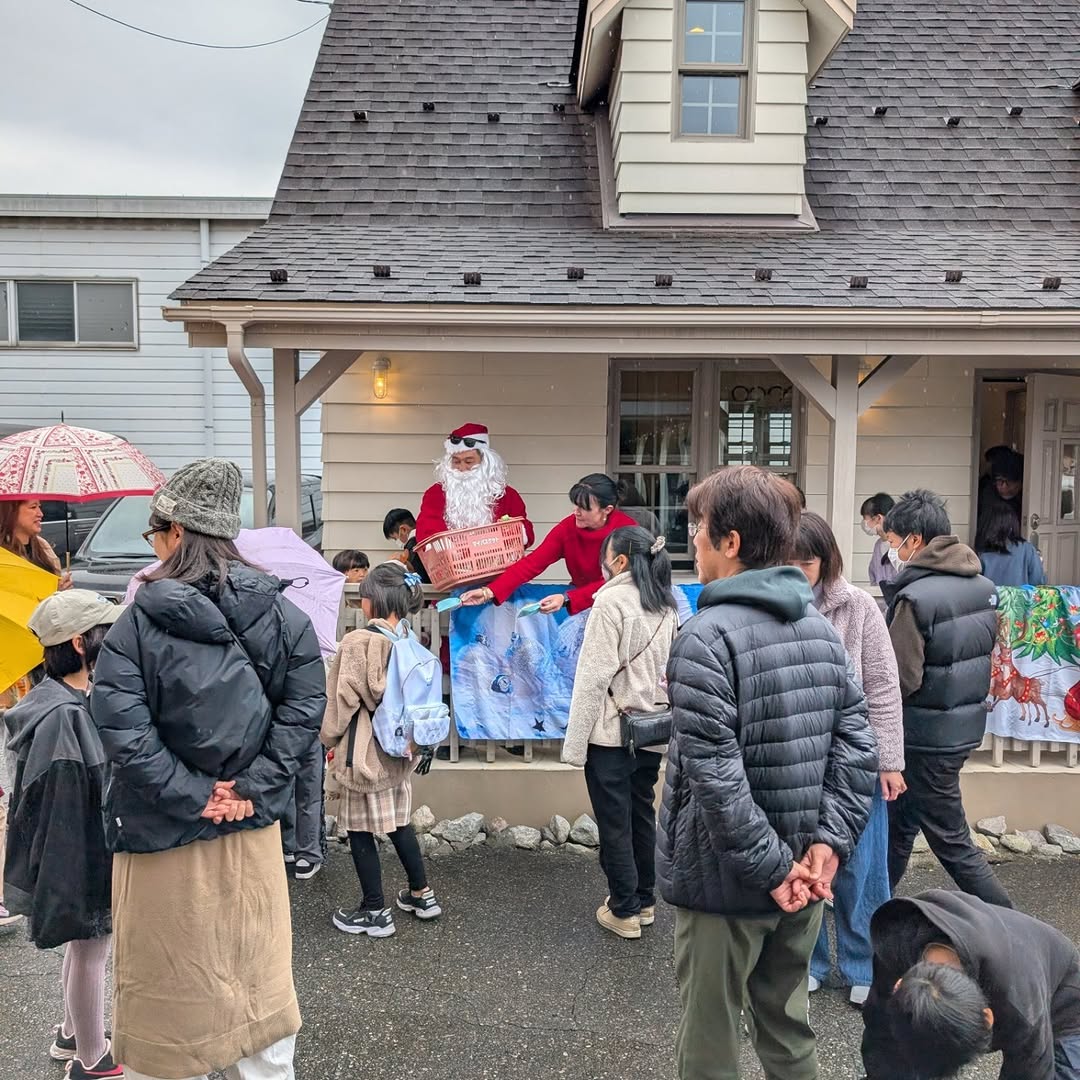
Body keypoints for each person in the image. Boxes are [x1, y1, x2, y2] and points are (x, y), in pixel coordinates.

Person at [89, 457, 326, 1080]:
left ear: (173, 533)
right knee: (259, 995)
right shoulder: (287, 617)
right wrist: (250, 788)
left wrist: (193, 792)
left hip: (159, 832)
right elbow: (303, 715)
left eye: (153, 533)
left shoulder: (136, 623)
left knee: (167, 1006)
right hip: (251, 831)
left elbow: (121, 727)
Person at [658, 464, 879, 1080]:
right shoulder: (819, 629)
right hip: (802, 877)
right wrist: (824, 849)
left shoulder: (705, 636)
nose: (693, 542)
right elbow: (856, 748)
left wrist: (778, 866)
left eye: (700, 529)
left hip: (727, 880)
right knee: (787, 1029)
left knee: (710, 1040)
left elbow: (715, 779)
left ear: (730, 542)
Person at [4, 591, 124, 1078]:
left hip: (68, 847)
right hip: (80, 849)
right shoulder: (66, 715)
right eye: (103, 632)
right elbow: (68, 803)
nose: (111, 639)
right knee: (93, 946)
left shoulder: (57, 701)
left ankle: (74, 1032)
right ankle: (91, 1059)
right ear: (80, 643)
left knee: (84, 948)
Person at [791, 512, 905, 1007]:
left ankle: (863, 964)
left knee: (864, 868)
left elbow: (882, 687)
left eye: (807, 560)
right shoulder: (773, 608)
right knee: (803, 864)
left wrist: (889, 760)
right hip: (796, 760)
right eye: (787, 559)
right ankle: (809, 961)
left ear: (827, 559)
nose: (798, 570)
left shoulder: (859, 606)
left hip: (856, 758)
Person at [881, 489, 1012, 909]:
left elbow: (900, 678)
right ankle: (875, 902)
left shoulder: (914, 598)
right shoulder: (983, 587)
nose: (889, 549)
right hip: (960, 727)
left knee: (951, 840)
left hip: (922, 734)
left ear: (914, 541)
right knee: (900, 824)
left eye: (891, 540)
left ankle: (1011, 924)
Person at [561, 526, 679, 939]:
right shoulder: (666, 603)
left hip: (612, 730)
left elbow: (593, 678)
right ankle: (645, 901)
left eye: (605, 555)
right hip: (650, 729)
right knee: (641, 811)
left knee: (614, 821)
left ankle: (624, 909)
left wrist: (575, 745)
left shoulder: (610, 601)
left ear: (621, 561)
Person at [322, 561, 442, 938]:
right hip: (401, 752)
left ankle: (375, 911)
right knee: (399, 824)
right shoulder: (408, 640)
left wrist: (325, 738)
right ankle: (422, 895)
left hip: (365, 755)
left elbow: (340, 702)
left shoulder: (359, 642)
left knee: (359, 830)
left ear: (371, 602)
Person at [861, 890, 1080, 1080]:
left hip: (1066, 1006)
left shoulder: (1019, 1001)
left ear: (988, 1017)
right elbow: (881, 1037)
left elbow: (1030, 1070)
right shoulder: (896, 942)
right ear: (897, 986)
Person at [461, 474, 638, 615]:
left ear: (607, 510)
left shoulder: (628, 531)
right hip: (582, 602)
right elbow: (532, 564)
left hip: (623, 607)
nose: (575, 512)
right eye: (575, 505)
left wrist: (568, 598)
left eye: (584, 508)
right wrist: (489, 591)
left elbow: (617, 582)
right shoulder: (567, 528)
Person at [415, 423, 534, 547]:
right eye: (456, 462)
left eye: (469, 461)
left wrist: (515, 530)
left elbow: (525, 531)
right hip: (451, 563)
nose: (462, 468)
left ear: (484, 461)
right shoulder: (435, 493)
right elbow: (427, 526)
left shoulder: (507, 495)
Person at [0, 499, 73, 588]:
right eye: (33, 507)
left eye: (39, 507)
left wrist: (60, 589)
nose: (40, 514)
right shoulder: (4, 554)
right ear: (12, 511)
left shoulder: (42, 546)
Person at [975, 496, 1046, 587]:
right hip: (1021, 600)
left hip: (991, 600)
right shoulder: (1027, 549)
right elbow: (1038, 582)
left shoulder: (980, 552)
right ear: (1011, 525)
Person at [860, 493, 897, 589]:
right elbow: (873, 575)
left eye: (865, 519)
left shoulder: (903, 542)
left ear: (878, 518)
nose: (864, 524)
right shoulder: (878, 545)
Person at [383, 508, 429, 582]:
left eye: (395, 538)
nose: (397, 542)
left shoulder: (412, 546)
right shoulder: (426, 538)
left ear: (403, 530)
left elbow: (418, 579)